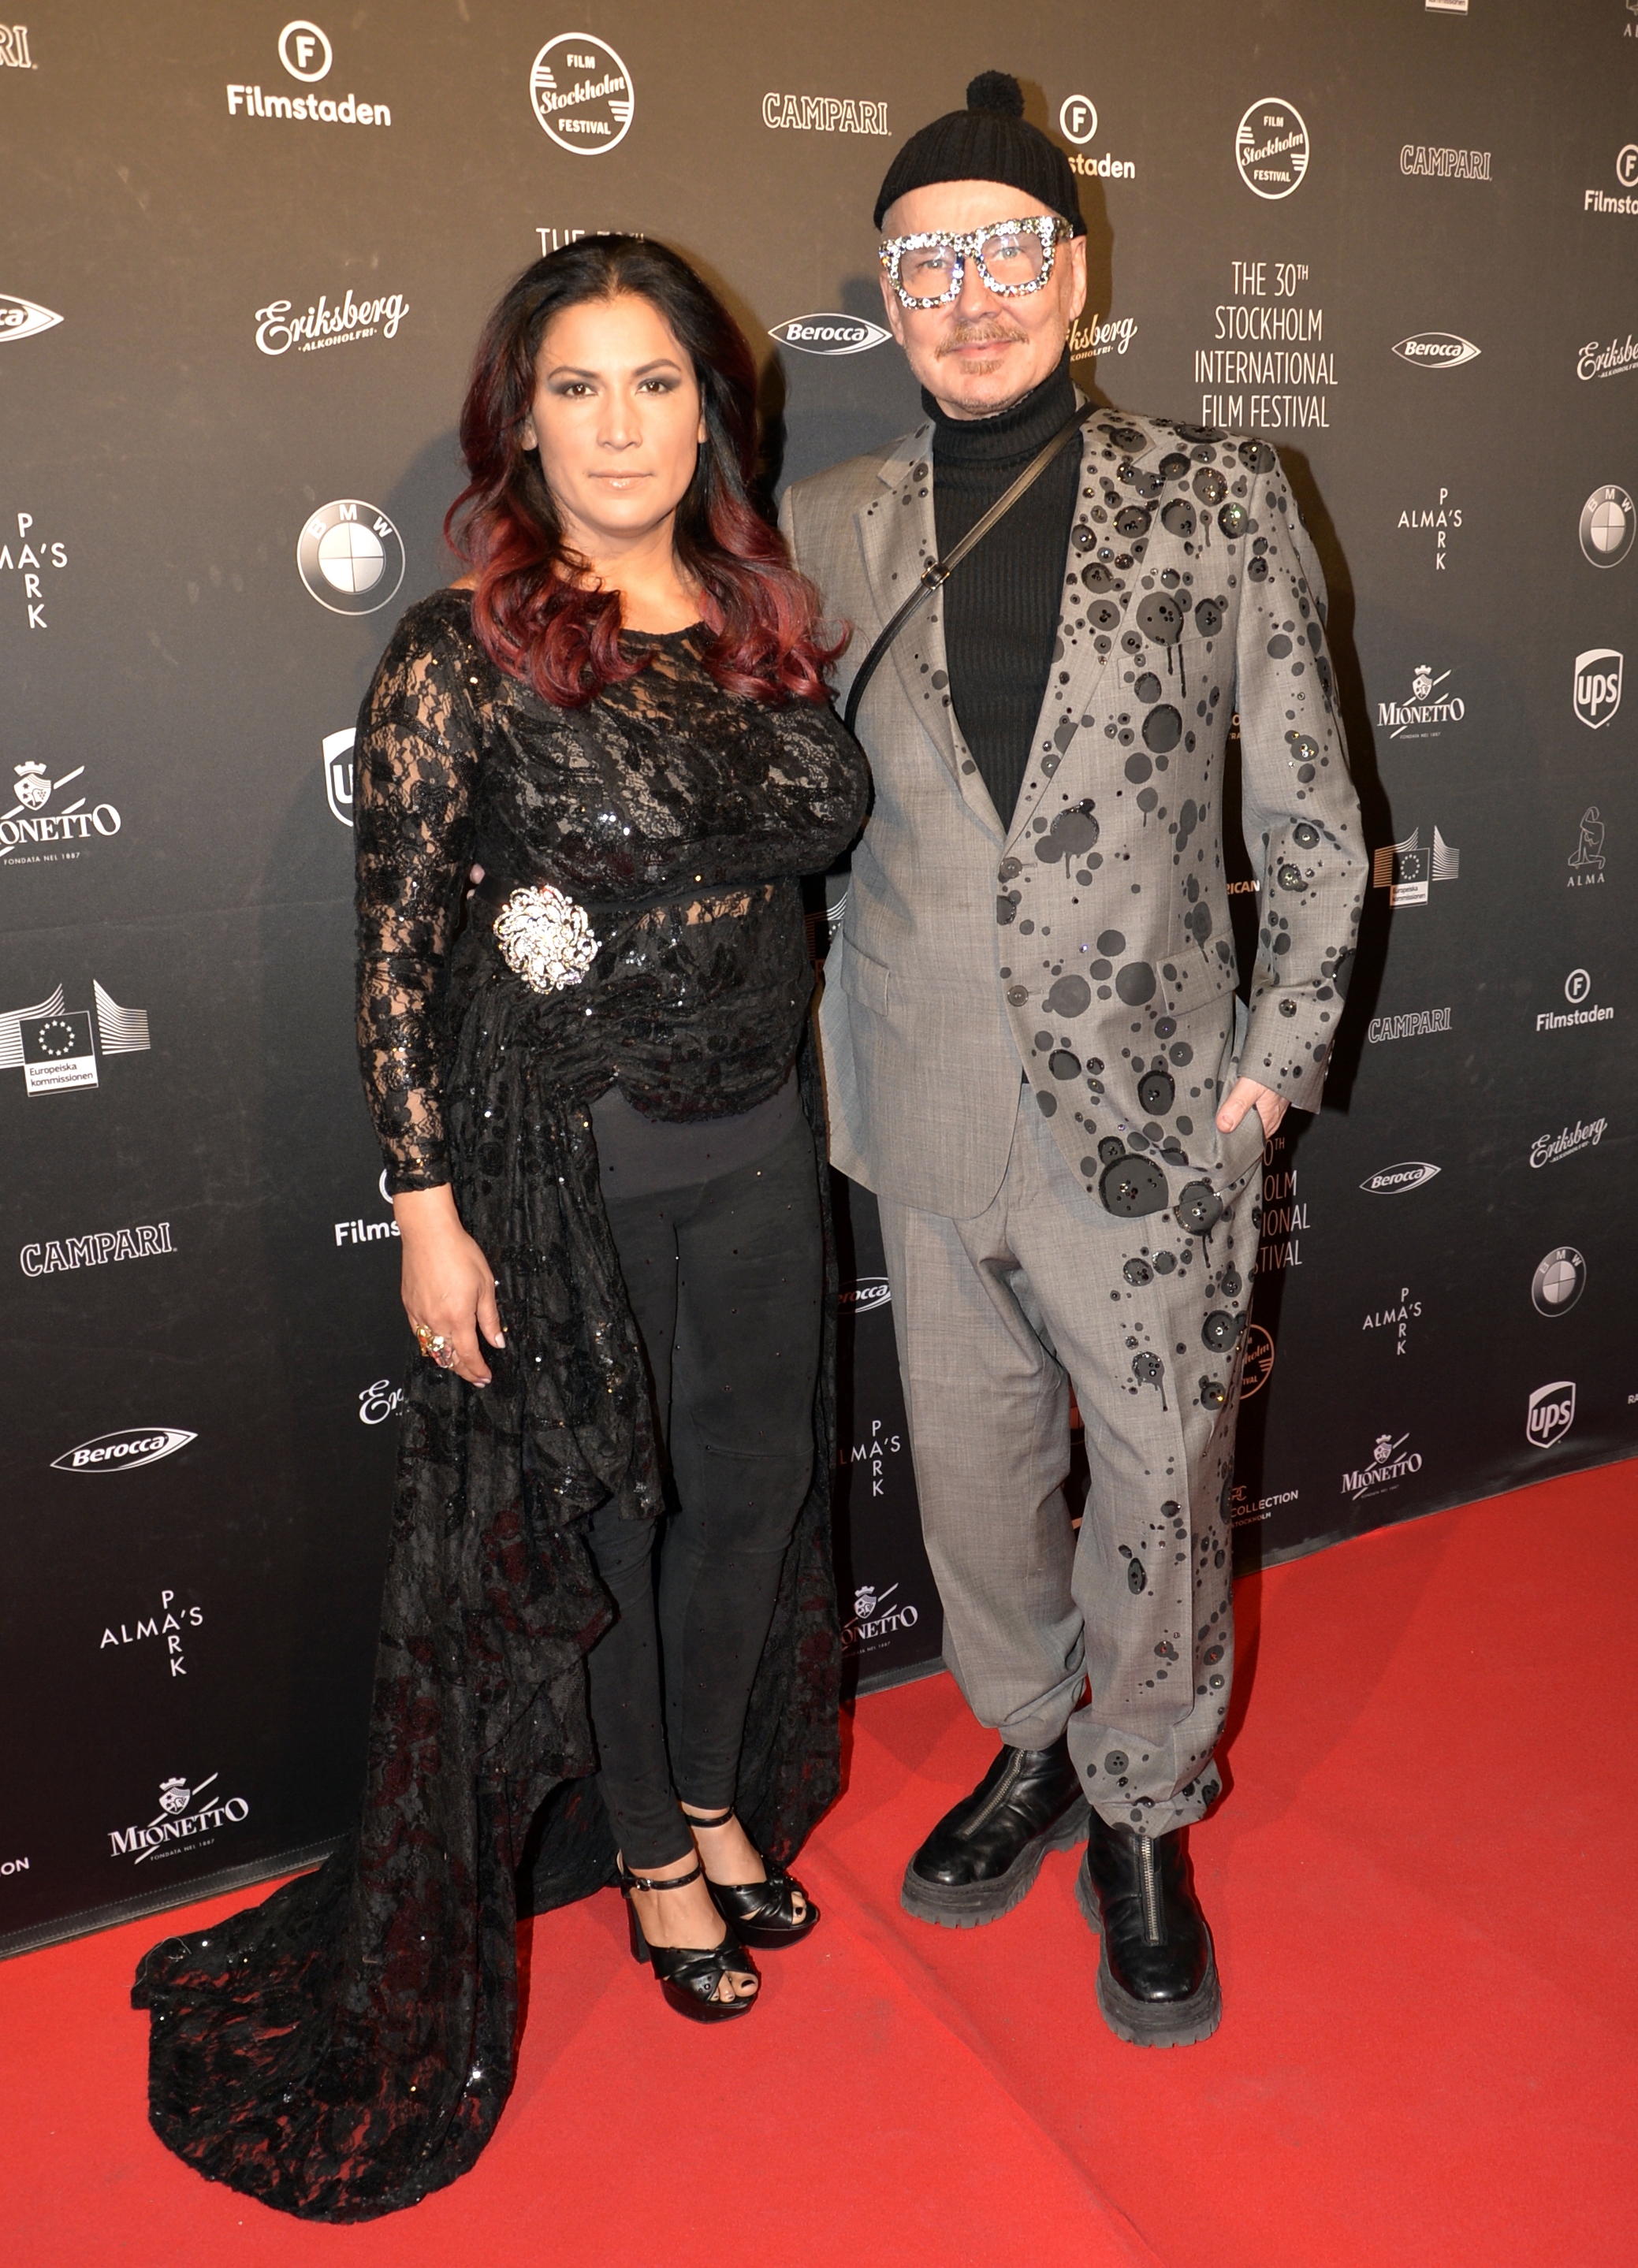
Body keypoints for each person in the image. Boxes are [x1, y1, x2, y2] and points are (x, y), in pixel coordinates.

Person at [132, 236, 868, 2219]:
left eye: (656, 382)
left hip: (764, 1139)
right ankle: (650, 1847)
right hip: (569, 1163)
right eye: (576, 386)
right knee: (608, 1522)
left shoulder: (762, 615)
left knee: (752, 1490)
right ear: (519, 420)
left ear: (710, 410)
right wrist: (425, 1208)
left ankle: (713, 1792)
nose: (620, 427)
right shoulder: (461, 648)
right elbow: (394, 947)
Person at [780, 74, 1368, 2047]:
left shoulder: (1219, 493)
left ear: (1073, 267)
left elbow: (1312, 820)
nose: (966, 295)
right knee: (970, 1475)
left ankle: (1141, 1800)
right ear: (887, 294)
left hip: (1159, 1115)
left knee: (1162, 1485)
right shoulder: (823, 527)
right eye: (924, 263)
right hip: (921, 1090)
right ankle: (1029, 1735)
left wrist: (1274, 1063)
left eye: (1002, 251)